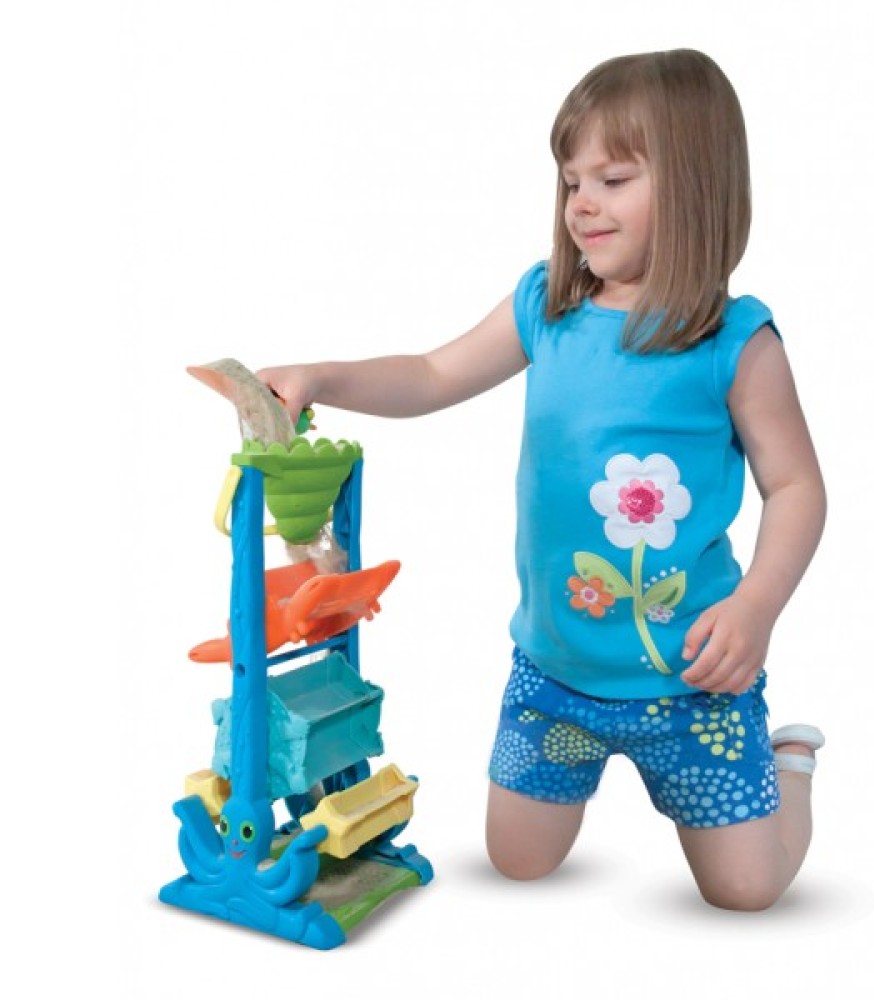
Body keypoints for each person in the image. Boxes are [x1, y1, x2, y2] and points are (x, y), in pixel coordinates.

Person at [258, 49, 827, 912]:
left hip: (693, 680)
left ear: (698, 184)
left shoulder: (735, 342)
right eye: (570, 182)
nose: (582, 203)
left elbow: (797, 488)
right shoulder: (547, 306)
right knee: (518, 861)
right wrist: (324, 377)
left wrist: (756, 608)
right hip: (554, 674)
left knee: (746, 892)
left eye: (613, 179)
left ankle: (791, 765)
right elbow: (433, 374)